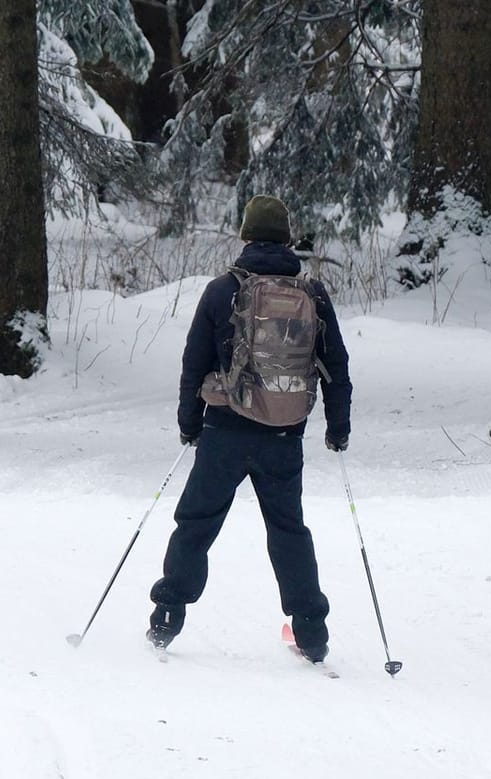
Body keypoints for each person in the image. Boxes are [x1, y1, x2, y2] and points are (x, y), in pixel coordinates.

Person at [146, 195, 352, 660]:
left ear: (246, 235)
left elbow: (194, 361)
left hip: (224, 431)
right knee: (288, 530)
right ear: (287, 239)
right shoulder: (312, 295)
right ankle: (312, 636)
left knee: (196, 524)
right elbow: (335, 364)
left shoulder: (223, 290)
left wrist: (189, 423)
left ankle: (166, 617)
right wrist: (338, 427)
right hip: (284, 435)